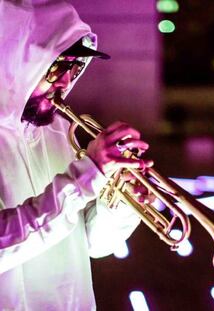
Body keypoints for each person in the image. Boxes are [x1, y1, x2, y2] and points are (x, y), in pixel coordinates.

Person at [0, 1, 152, 309]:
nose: (66, 81)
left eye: (76, 67)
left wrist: (121, 206)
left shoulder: (59, 129)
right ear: (15, 59)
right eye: (57, 66)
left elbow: (92, 244)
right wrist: (87, 176)